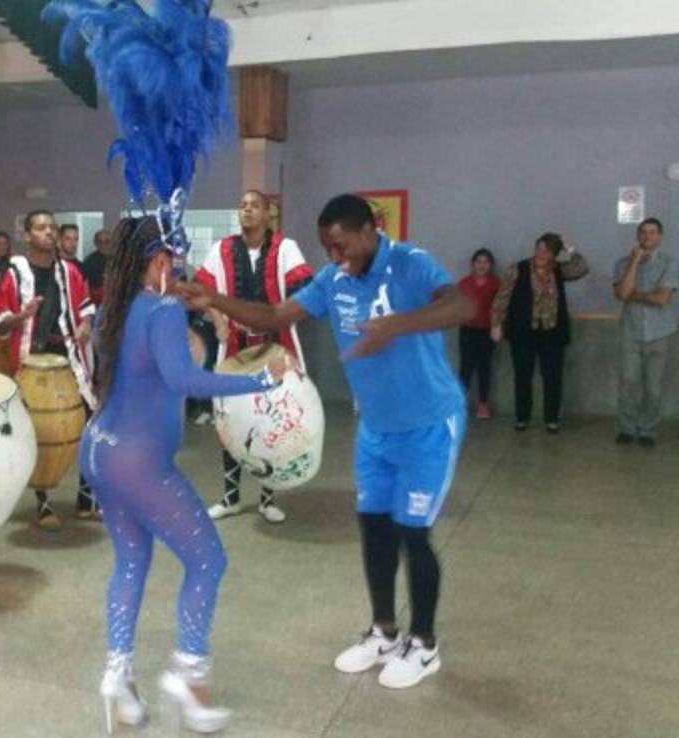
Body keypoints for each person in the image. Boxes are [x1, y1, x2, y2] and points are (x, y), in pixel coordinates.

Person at [180, 193, 472, 690]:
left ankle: (424, 645)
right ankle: (383, 632)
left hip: (428, 425)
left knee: (413, 533)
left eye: (342, 246)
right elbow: (274, 317)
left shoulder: (409, 262)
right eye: (327, 249)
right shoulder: (333, 280)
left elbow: (460, 304)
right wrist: (215, 301)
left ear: (368, 231)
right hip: (377, 428)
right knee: (374, 527)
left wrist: (397, 325)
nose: (336, 258)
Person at [82, 216, 287, 733]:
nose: (173, 271)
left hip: (99, 450)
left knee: (131, 560)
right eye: (170, 261)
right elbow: (182, 378)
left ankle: (117, 677)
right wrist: (262, 380)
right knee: (208, 560)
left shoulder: (114, 307)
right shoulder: (162, 308)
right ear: (157, 261)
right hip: (138, 462)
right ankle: (188, 677)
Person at [195, 189, 312, 524]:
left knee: (271, 422)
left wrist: (281, 317)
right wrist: (219, 323)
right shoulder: (222, 249)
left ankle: (267, 497)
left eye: (254, 206)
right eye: (242, 206)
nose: (247, 211)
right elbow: (205, 293)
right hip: (233, 346)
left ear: (267, 213)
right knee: (230, 421)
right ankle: (230, 497)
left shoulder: (285, 248)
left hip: (275, 346)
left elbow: (303, 291)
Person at [0, 209, 98, 529]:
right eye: (40, 228)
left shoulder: (70, 271)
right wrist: (20, 318)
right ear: (27, 236)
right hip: (31, 362)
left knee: (91, 426)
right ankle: (42, 503)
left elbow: (85, 307)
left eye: (52, 227)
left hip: (70, 359)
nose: (49, 233)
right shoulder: (14, 274)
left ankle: (85, 500)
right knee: (38, 432)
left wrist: (86, 324)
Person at [490, 232, 589, 433]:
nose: (542, 253)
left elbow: (582, 268)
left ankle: (551, 419)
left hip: (552, 332)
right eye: (539, 248)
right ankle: (522, 417)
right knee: (522, 375)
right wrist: (496, 324)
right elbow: (502, 297)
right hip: (523, 331)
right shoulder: (517, 269)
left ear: (554, 253)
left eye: (548, 250)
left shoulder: (559, 270)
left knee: (553, 376)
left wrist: (570, 250)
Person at [613, 218, 676, 447]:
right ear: (637, 236)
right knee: (628, 383)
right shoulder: (622, 264)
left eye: (652, 232)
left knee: (653, 386)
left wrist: (634, 295)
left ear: (660, 236)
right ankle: (627, 428)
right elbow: (621, 294)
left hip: (660, 333)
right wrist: (634, 262)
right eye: (643, 232)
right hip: (630, 333)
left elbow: (661, 299)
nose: (647, 236)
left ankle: (648, 430)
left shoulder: (670, 263)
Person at [457, 248, 501, 419]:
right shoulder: (464, 284)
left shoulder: (496, 284)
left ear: (490, 265)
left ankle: (483, 404)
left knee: (484, 368)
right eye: (478, 262)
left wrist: (498, 327)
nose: (482, 265)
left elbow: (500, 308)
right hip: (467, 330)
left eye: (486, 262)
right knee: (465, 368)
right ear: (473, 264)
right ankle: (459, 405)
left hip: (487, 331)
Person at [82, 228, 113, 307]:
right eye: (100, 242)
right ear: (95, 243)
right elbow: (85, 288)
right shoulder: (88, 261)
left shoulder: (120, 259)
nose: (103, 245)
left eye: (107, 241)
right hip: (97, 304)